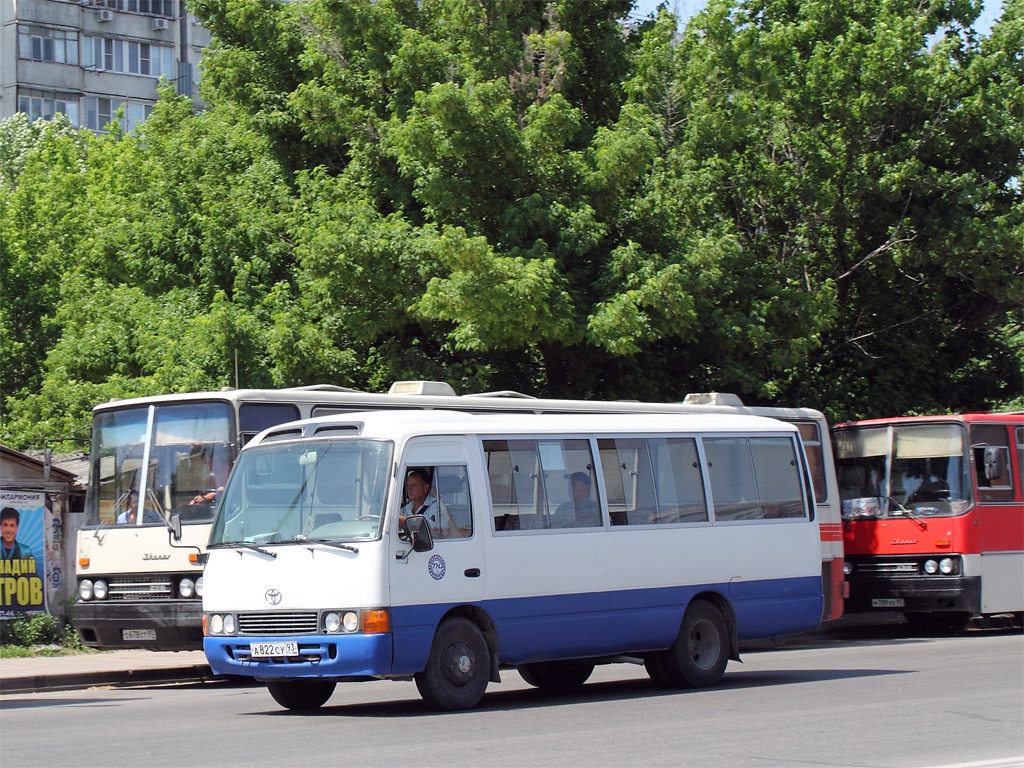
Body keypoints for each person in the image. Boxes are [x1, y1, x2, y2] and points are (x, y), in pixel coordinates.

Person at [400, 468, 458, 539]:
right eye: (408, 485)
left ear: (425, 488)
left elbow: (444, 533)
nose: (409, 489)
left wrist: (400, 519)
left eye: (413, 485)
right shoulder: (406, 509)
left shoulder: (438, 508)